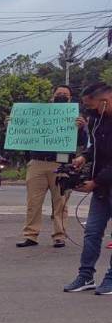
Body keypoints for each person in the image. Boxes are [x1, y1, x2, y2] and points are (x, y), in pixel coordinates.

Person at [63, 82, 112, 293]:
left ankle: (111, 278)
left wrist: (96, 182)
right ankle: (85, 276)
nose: (88, 110)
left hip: (103, 182)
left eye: (90, 106)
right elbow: (98, 149)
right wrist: (84, 157)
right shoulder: (98, 121)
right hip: (102, 190)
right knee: (92, 232)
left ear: (104, 100)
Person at [17, 85, 75, 248]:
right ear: (52, 96)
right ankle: (31, 235)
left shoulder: (75, 116)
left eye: (65, 95)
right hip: (37, 162)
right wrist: (14, 123)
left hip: (61, 163)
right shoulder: (39, 114)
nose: (61, 96)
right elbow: (22, 132)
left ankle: (59, 236)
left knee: (61, 202)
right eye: (59, 94)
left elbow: (82, 141)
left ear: (70, 99)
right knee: (33, 202)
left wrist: (82, 127)